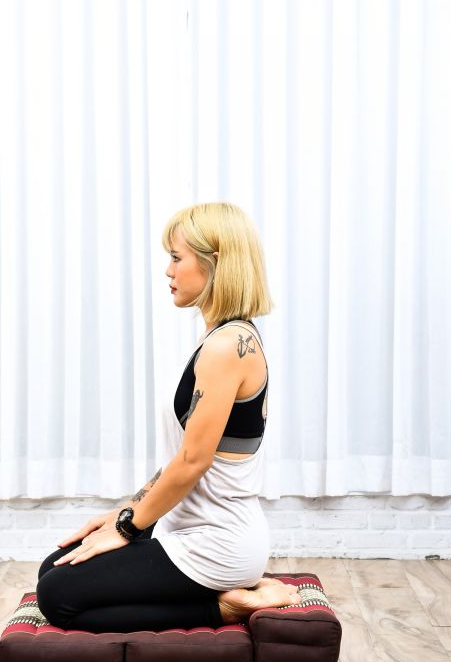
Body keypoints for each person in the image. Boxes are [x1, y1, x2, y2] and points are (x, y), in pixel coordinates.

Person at [36, 202, 301, 632]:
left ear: (216, 263)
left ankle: (228, 607)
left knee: (57, 596)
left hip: (219, 542)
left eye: (177, 258)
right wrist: (126, 510)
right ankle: (214, 593)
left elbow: (192, 463)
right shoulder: (219, 338)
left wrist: (126, 529)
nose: (168, 270)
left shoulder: (227, 348)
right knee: (54, 567)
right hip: (191, 526)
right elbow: (182, 456)